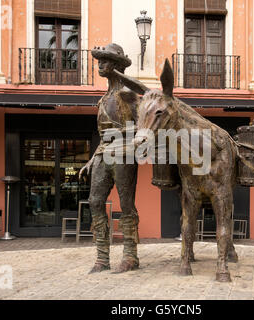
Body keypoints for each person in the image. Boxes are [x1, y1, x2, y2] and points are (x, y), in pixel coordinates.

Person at [79, 43, 140, 273]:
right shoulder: (104, 99)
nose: (100, 64)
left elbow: (144, 125)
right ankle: (102, 258)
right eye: (99, 61)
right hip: (104, 154)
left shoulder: (129, 96)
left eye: (104, 60)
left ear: (115, 65)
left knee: (126, 205)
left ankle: (130, 255)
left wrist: (135, 144)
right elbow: (103, 136)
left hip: (125, 153)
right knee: (95, 201)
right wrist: (92, 159)